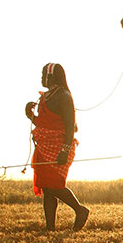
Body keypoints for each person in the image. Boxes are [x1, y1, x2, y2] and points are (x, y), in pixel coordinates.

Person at [24, 62, 90, 231]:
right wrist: (30, 115)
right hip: (44, 147)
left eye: (43, 74)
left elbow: (69, 126)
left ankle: (80, 210)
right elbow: (44, 123)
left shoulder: (64, 96)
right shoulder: (47, 96)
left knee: (55, 186)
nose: (41, 78)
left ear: (51, 76)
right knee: (47, 188)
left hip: (59, 147)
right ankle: (50, 228)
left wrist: (65, 150)